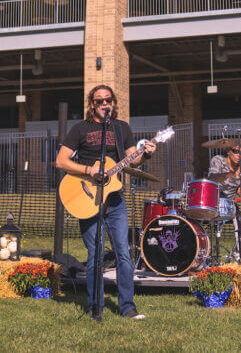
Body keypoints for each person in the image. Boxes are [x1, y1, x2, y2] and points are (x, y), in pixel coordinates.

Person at [55, 84, 155, 320]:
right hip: (87, 197)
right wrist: (89, 170)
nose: (104, 104)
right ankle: (94, 306)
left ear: (113, 102)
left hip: (115, 200)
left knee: (123, 253)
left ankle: (128, 307)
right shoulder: (80, 129)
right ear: (92, 104)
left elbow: (133, 160)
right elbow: (61, 161)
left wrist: (147, 153)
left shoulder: (122, 129)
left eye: (108, 100)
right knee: (96, 254)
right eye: (99, 101)